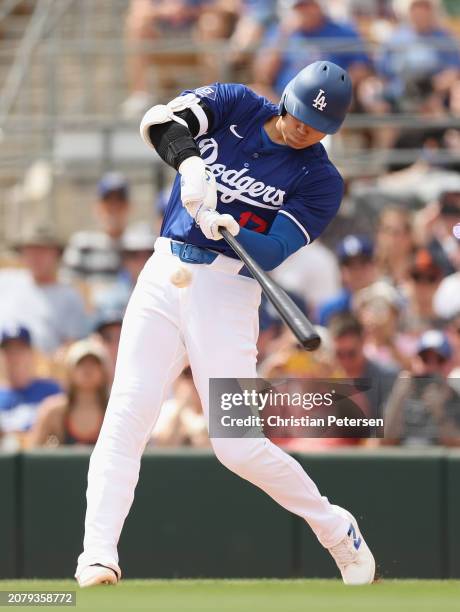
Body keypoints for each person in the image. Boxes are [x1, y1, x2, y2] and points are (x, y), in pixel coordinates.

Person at [75, 61, 375, 588]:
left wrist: (231, 225)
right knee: (126, 415)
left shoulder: (321, 178)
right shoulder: (238, 103)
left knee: (236, 445)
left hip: (231, 290)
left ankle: (336, 529)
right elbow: (159, 121)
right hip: (164, 273)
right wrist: (190, 165)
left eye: (319, 126)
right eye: (301, 116)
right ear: (287, 99)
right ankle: (97, 555)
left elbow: (276, 248)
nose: (305, 130)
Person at [0, 223, 88, 354]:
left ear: (56, 254)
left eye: (42, 251)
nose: (36, 257)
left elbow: (72, 345)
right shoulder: (5, 280)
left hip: (42, 367)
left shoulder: (69, 296)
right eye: (30, 251)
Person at [383, 329, 460, 446]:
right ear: (416, 360)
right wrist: (398, 397)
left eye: (440, 360)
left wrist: (439, 410)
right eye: (425, 359)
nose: (432, 366)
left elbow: (456, 446)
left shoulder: (454, 396)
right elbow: (385, 441)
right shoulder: (401, 389)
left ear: (449, 363)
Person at [28, 339, 109, 448]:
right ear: (70, 371)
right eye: (81, 364)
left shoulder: (114, 411)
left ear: (103, 371)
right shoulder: (52, 411)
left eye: (94, 363)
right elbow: (33, 453)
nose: (87, 369)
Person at [62, 173, 132, 282]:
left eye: (119, 202)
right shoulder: (82, 245)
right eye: (108, 202)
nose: (113, 208)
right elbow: (70, 285)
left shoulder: (139, 246)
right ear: (97, 207)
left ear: (128, 206)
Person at [0, 325, 61, 443]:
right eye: (9, 351)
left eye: (19, 350)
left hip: (41, 458)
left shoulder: (51, 390)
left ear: (31, 353)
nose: (14, 357)